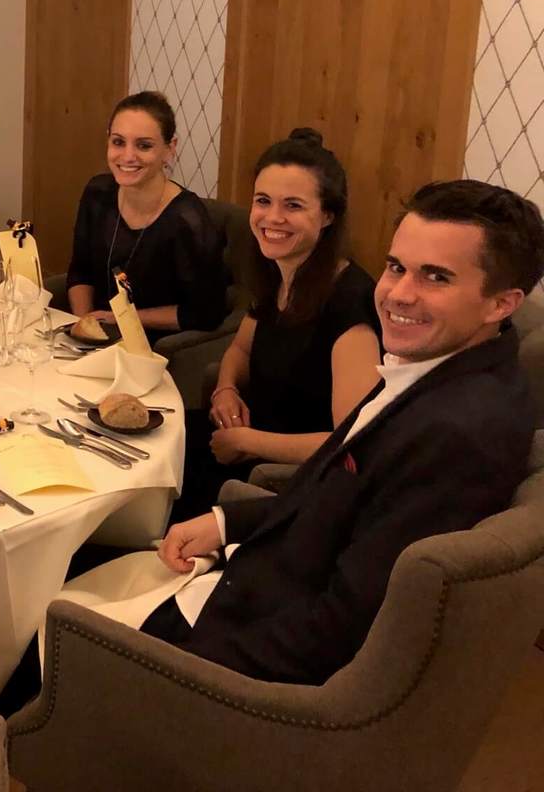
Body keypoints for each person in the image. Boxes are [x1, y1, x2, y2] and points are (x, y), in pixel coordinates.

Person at [145, 179, 541, 685]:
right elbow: (340, 498)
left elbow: (342, 632)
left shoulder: (458, 433)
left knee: (56, 614)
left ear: (500, 304)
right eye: (396, 267)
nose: (398, 294)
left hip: (241, 641)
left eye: (436, 277)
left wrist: (176, 663)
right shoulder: (437, 369)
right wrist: (226, 524)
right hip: (249, 579)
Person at [173, 129, 381, 518]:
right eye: (263, 201)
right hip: (245, 437)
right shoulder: (277, 273)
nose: (273, 217)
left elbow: (352, 439)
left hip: (285, 474)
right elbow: (240, 349)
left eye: (293, 206)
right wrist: (225, 389)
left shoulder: (350, 305)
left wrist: (248, 441)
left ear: (328, 216)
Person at [60, 91, 227, 339]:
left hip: (155, 346)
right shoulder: (97, 193)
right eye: (118, 142)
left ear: (170, 148)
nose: (128, 156)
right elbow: (80, 270)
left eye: (144, 145)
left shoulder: (188, 220)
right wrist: (84, 325)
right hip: (96, 339)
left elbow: (204, 313)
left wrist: (120, 319)